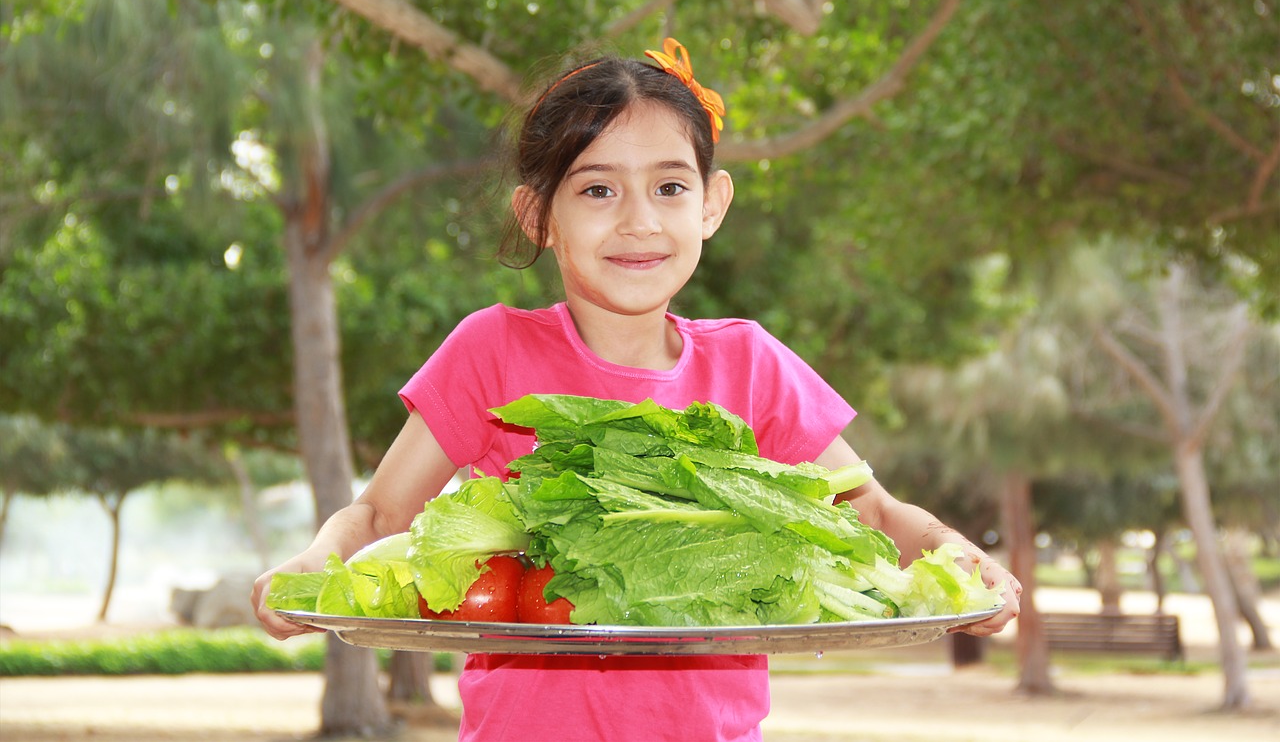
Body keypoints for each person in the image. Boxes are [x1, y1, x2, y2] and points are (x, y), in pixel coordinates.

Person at [252, 37, 1022, 742]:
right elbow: (383, 512)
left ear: (711, 205)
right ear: (537, 215)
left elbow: (875, 513)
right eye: (596, 191)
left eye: (669, 187)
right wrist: (318, 564)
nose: (639, 221)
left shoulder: (750, 364)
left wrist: (958, 556)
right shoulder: (492, 349)